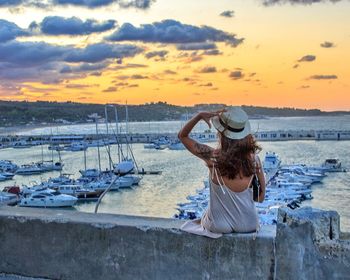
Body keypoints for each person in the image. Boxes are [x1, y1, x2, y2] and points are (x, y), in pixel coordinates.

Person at [178, 106, 266, 238]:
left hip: (219, 225)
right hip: (249, 223)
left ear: (221, 133)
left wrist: (199, 116)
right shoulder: (255, 161)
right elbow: (260, 198)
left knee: (202, 218)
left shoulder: (212, 157)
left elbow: (182, 136)